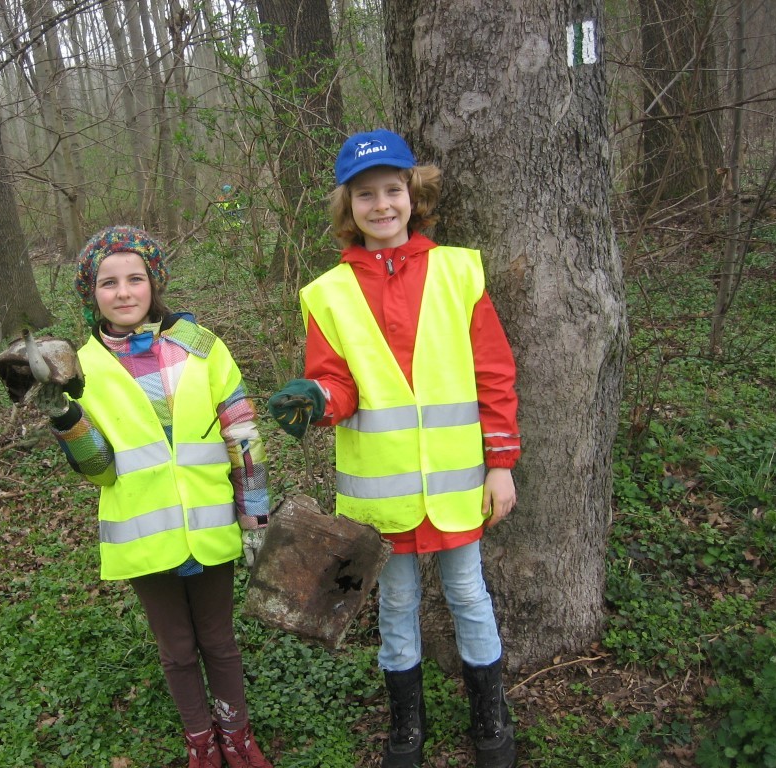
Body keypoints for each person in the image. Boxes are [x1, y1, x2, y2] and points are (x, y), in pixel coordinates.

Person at [267, 130, 520, 768]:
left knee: (468, 595)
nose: (381, 205)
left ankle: (491, 718)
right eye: (365, 194)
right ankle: (406, 728)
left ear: (413, 193)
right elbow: (338, 384)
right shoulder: (327, 293)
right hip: (381, 495)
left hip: (459, 486)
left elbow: (493, 374)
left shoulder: (459, 271)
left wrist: (501, 466)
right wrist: (316, 401)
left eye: (392, 189)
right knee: (398, 602)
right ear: (347, 207)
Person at [31, 225, 274, 768]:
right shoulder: (81, 367)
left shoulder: (203, 346)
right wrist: (63, 414)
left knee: (219, 640)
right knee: (177, 650)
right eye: (108, 282)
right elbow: (99, 468)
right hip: (143, 533)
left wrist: (256, 519)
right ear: (90, 293)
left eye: (135, 278)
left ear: (154, 283)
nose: (123, 292)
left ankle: (237, 736)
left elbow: (243, 436)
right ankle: (200, 744)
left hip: (211, 526)